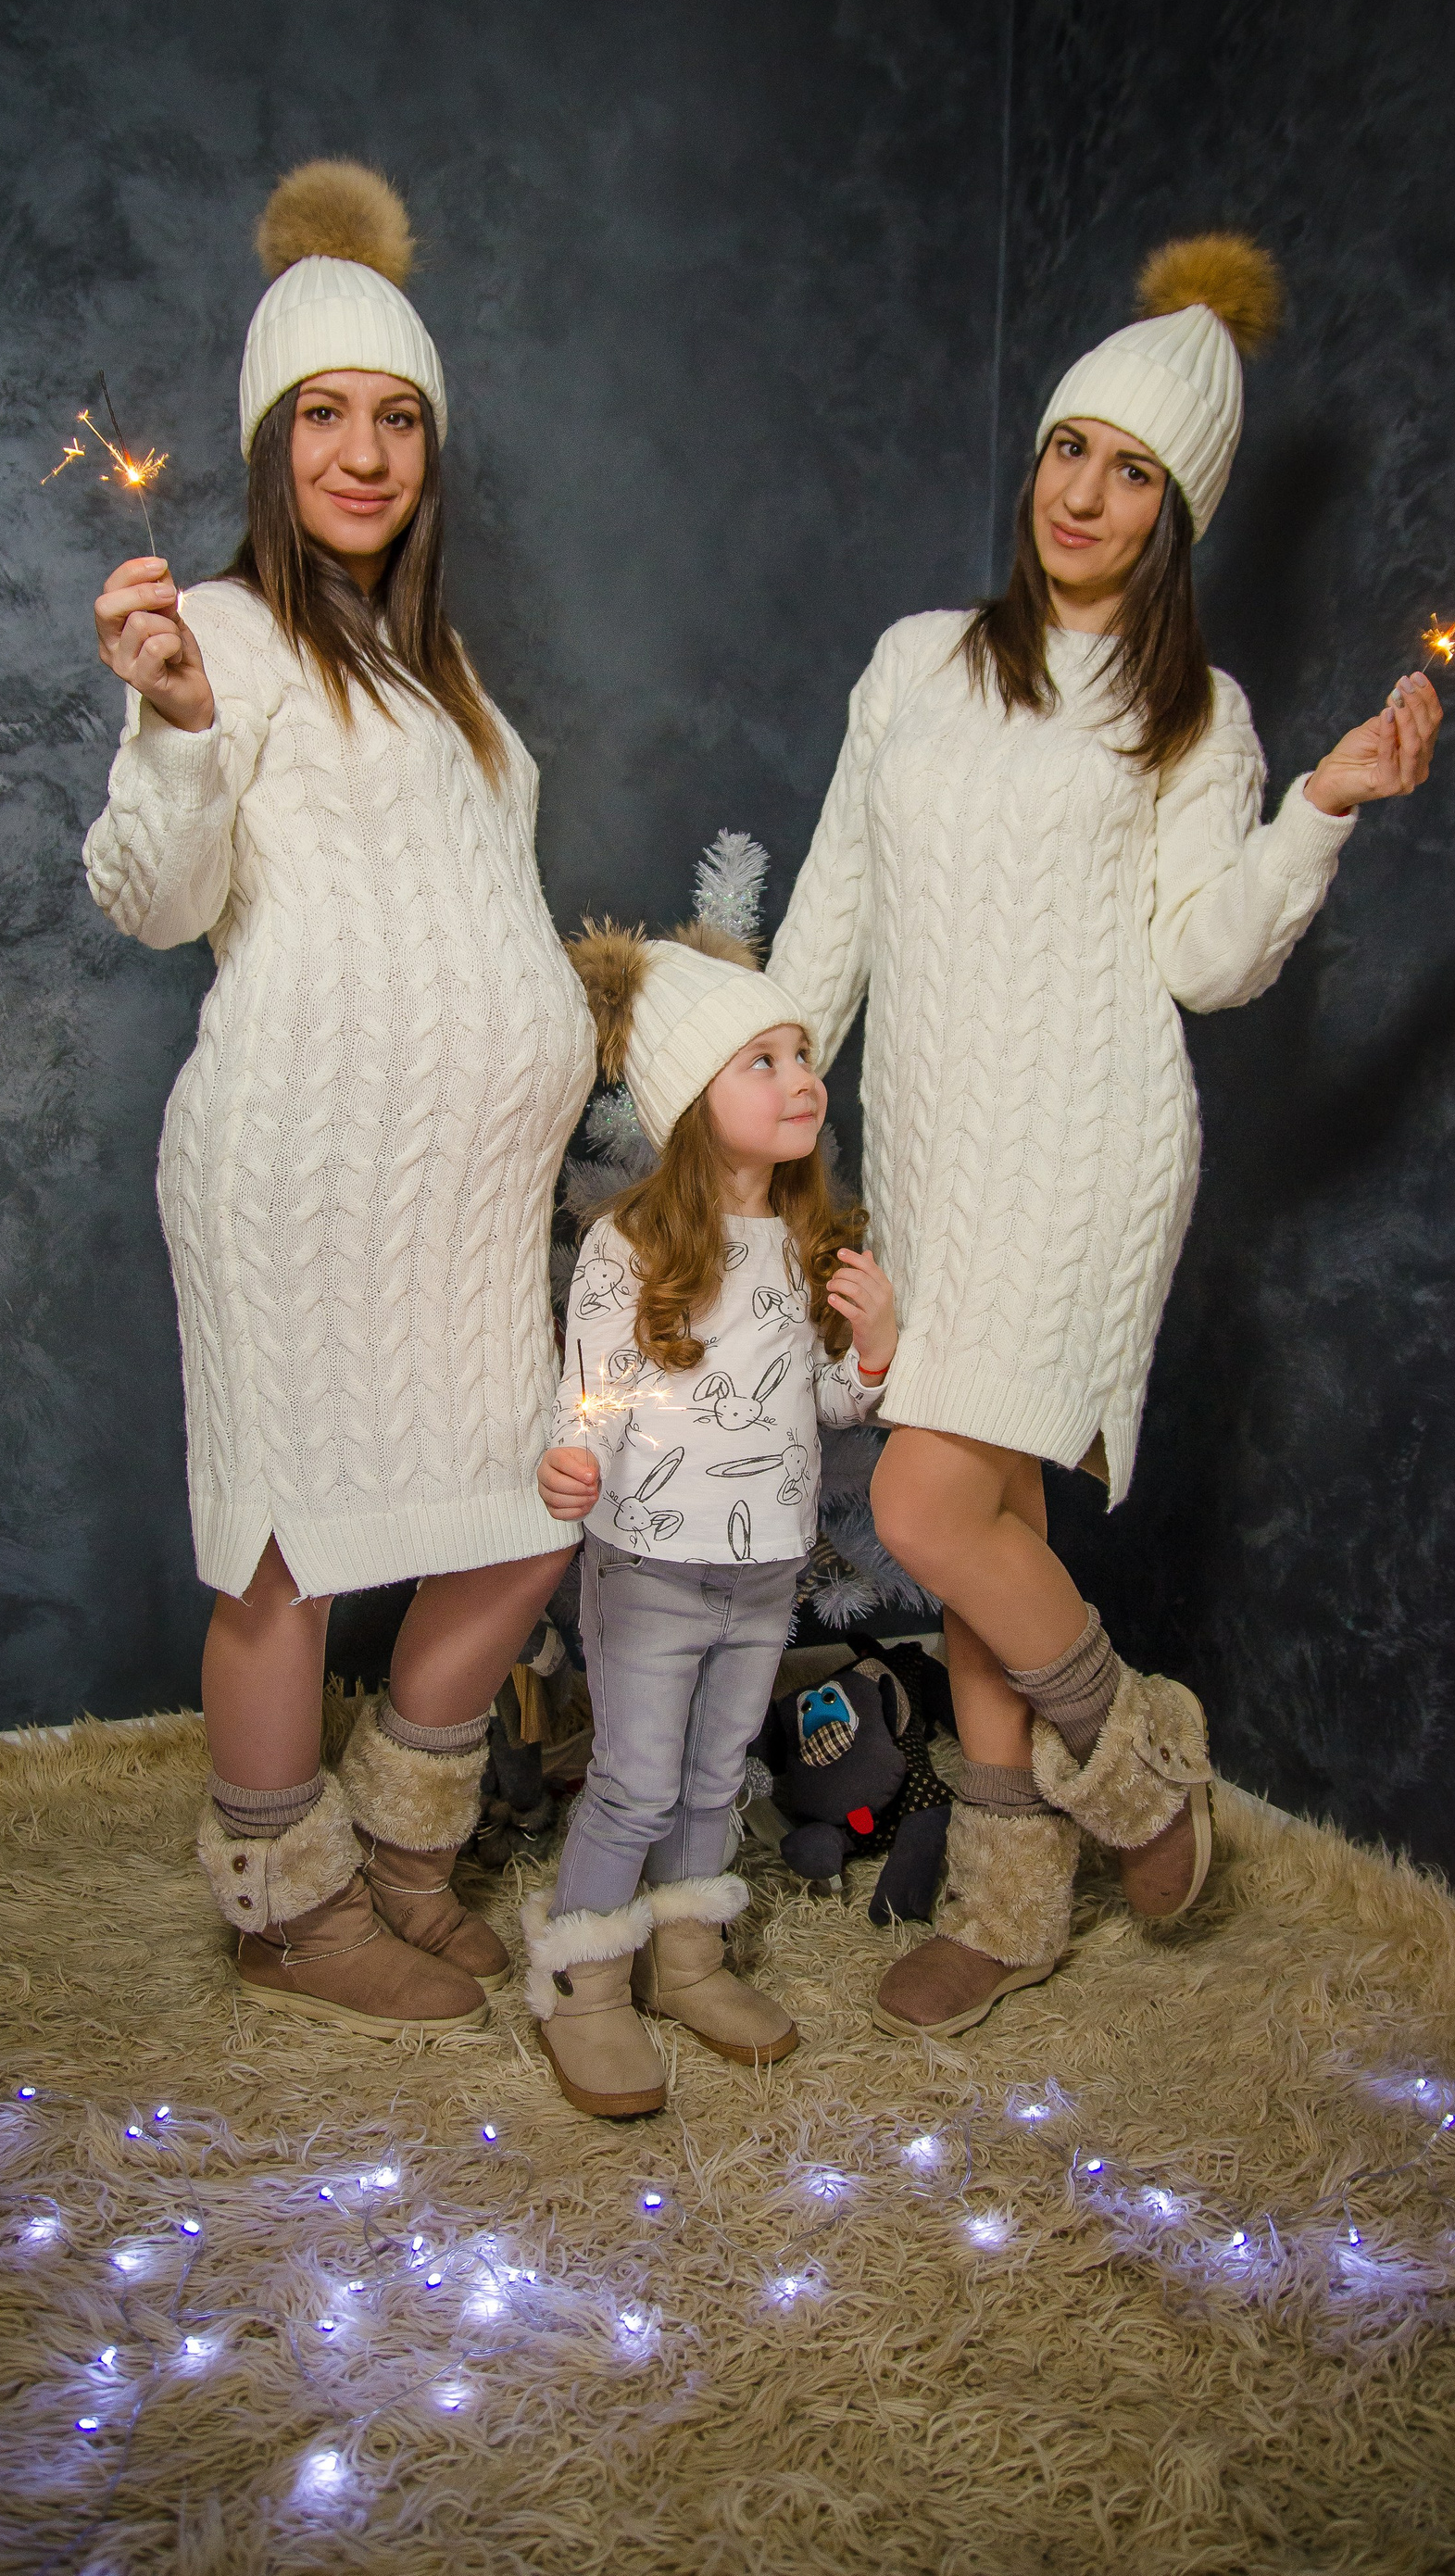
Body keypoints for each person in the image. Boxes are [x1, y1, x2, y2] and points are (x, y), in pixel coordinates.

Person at [765, 234, 1442, 2039]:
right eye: (1072, 447)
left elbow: (1207, 961)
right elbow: (832, 913)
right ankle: (1009, 1907)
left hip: (1087, 1157)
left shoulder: (1196, 716)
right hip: (933, 1153)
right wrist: (752, 1096)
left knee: (922, 1498)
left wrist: (1320, 806)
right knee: (983, 1519)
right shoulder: (916, 663)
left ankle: (1134, 1770)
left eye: (1134, 472)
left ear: (1174, 514)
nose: (1084, 492)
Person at [82, 163, 594, 2038]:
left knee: (525, 1512)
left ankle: (395, 1848)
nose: (364, 454)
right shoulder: (216, 634)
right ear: (268, 440)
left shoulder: (443, 671)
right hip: (300, 1170)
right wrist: (173, 728)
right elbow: (151, 899)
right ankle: (283, 1910)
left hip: (463, 1202)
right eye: (323, 416)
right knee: (285, 1549)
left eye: (397, 418)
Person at [529, 901, 897, 2115]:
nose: (804, 1080)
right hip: (652, 1568)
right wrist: (571, 1461)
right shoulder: (629, 1245)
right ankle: (584, 1982)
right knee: (635, 1782)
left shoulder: (805, 1240)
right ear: (694, 1099)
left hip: (763, 1571)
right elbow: (590, 1394)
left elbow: (828, 1407)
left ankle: (687, 1961)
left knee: (714, 1773)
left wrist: (874, 1349)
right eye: (765, 1061)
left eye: (804, 1055)